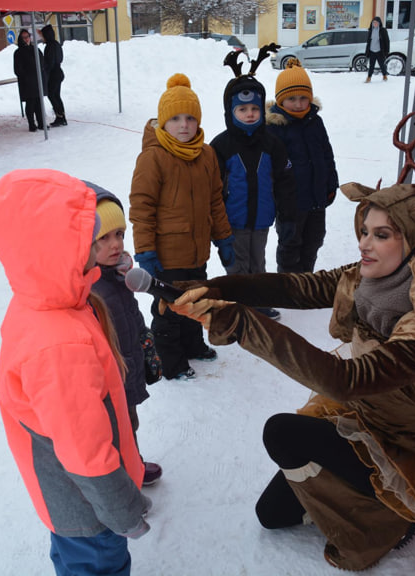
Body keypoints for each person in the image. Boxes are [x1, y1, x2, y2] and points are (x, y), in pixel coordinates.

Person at [164, 182, 415, 571]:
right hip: (356, 419)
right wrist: (215, 287)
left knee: (282, 433)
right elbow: (299, 287)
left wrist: (242, 324)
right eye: (365, 230)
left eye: (381, 235)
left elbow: (343, 380)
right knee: (271, 514)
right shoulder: (366, 279)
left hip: (401, 449)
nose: (365, 243)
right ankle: (351, 497)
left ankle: (391, 519)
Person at [0, 169, 151, 576]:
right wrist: (123, 511)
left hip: (66, 499)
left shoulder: (44, 300)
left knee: (74, 561)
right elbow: (86, 452)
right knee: (97, 566)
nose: (101, 246)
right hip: (88, 508)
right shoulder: (59, 343)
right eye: (86, 237)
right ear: (54, 246)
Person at [129, 73, 234, 381]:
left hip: (197, 252)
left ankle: (193, 345)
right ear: (163, 123)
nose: (184, 125)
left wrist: (223, 238)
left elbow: (216, 199)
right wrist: (145, 249)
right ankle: (171, 362)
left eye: (190, 118)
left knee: (196, 302)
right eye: (175, 118)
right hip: (166, 255)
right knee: (168, 311)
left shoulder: (207, 154)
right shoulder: (153, 158)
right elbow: (141, 207)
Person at [210, 49, 296, 321]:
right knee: (237, 266)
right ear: (230, 111)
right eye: (242, 109)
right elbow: (212, 188)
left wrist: (287, 212)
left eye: (254, 108)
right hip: (232, 221)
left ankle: (257, 303)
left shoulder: (272, 144)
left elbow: (284, 180)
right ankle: (238, 306)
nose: (249, 114)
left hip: (261, 220)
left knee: (258, 264)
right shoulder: (221, 146)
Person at [90, 190, 163, 486]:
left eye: (119, 234)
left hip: (127, 366)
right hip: (107, 380)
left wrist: (145, 342)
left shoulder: (121, 276)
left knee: (129, 423)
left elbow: (130, 317)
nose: (116, 244)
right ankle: (122, 483)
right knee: (112, 431)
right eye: (103, 238)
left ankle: (134, 465)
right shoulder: (91, 289)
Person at [266, 59, 338, 274]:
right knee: (290, 243)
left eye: (303, 98)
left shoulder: (315, 122)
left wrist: (331, 185)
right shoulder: (275, 128)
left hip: (317, 198)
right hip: (290, 203)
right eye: (291, 99)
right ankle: (288, 284)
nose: (298, 104)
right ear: (280, 100)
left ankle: (306, 277)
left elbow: (327, 155)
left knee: (314, 241)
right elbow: (271, 170)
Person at [13, 28, 47, 132]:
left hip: (37, 81)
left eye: (27, 37)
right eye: (24, 37)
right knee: (30, 104)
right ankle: (32, 124)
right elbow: (17, 69)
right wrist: (26, 75)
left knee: (39, 103)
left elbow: (42, 62)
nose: (26, 39)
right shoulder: (18, 52)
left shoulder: (35, 49)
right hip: (27, 82)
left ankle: (41, 124)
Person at [41, 24, 67, 128]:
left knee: (52, 95)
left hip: (53, 74)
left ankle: (59, 116)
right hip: (59, 72)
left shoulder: (49, 46)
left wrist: (45, 72)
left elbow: (49, 63)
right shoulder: (56, 44)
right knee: (56, 95)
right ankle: (62, 117)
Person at [364, 16, 390, 83]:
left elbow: (387, 41)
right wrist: (367, 51)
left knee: (382, 64)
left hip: (380, 51)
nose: (375, 24)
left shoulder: (383, 30)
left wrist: (386, 51)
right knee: (371, 65)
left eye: (376, 23)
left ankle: (384, 75)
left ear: (379, 23)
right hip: (372, 50)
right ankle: (369, 77)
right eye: (374, 23)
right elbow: (368, 42)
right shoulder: (370, 30)